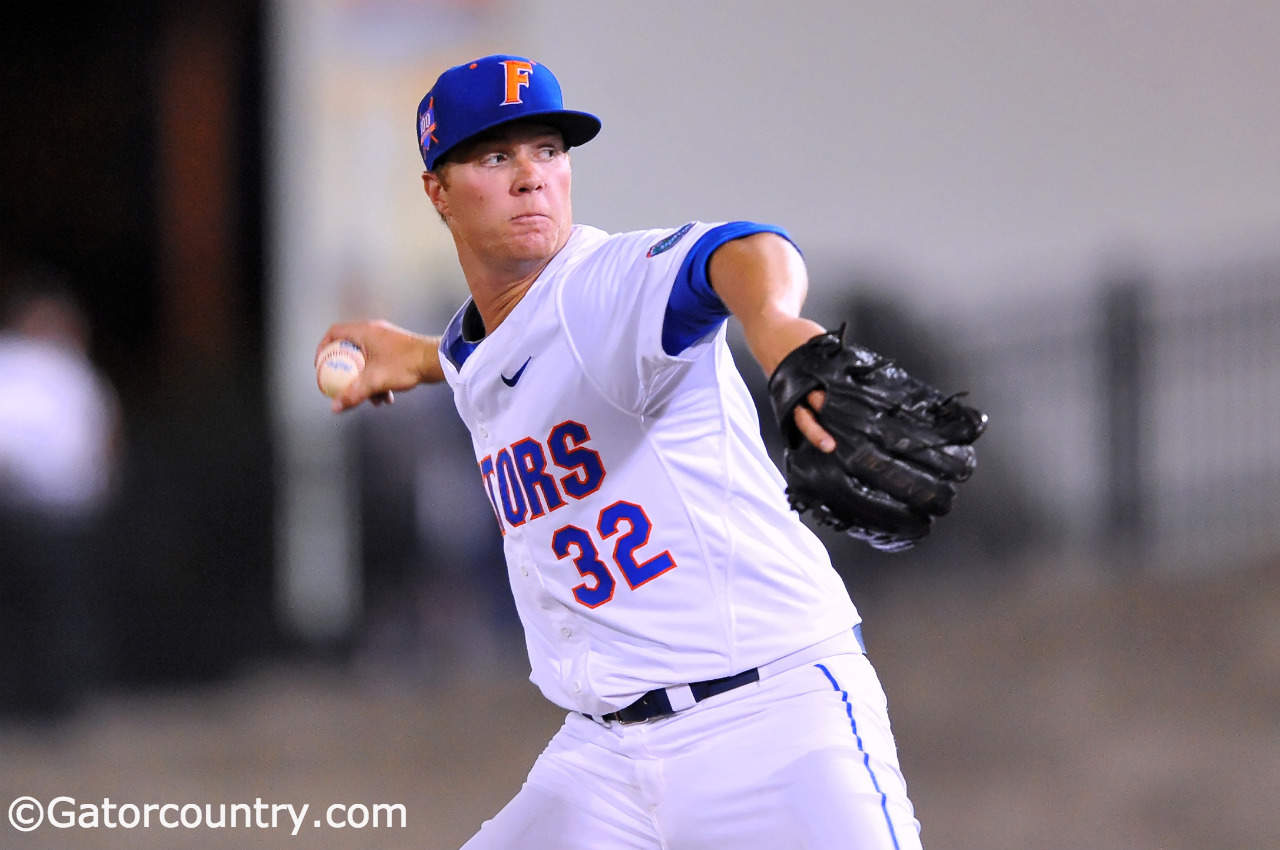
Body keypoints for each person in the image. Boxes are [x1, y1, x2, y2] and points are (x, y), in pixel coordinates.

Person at [319, 54, 923, 849]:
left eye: (549, 151)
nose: (532, 177)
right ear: (437, 189)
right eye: (497, 156)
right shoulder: (482, 344)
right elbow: (510, 356)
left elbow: (737, 250)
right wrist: (428, 356)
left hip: (770, 722)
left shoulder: (602, 287)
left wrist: (775, 327)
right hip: (605, 757)